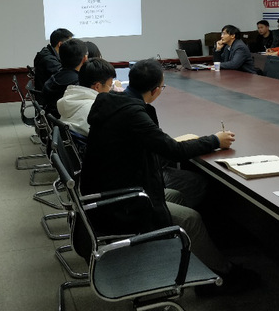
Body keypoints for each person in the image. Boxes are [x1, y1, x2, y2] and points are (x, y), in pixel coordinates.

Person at [80, 58, 258, 293]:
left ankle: (191, 261)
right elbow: (173, 150)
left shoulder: (114, 103)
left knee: (177, 196)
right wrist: (215, 140)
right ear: (155, 90)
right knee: (191, 219)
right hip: (121, 205)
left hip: (114, 191)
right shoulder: (132, 114)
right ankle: (219, 276)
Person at [57, 58, 117, 136]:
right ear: (97, 86)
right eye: (110, 85)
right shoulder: (96, 109)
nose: (110, 89)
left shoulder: (69, 98)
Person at [42, 38, 88, 115]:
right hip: (69, 119)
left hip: (53, 118)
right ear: (85, 59)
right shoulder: (79, 84)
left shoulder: (53, 78)